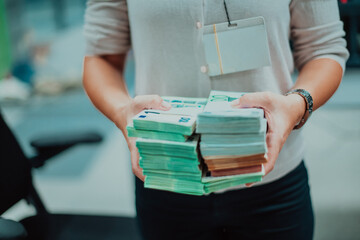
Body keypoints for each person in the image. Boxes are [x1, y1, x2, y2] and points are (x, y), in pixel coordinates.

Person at [82, 0, 349, 239]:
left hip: (272, 179)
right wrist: (121, 113)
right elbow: (101, 57)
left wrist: (295, 105)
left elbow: (324, 49)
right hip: (167, 173)